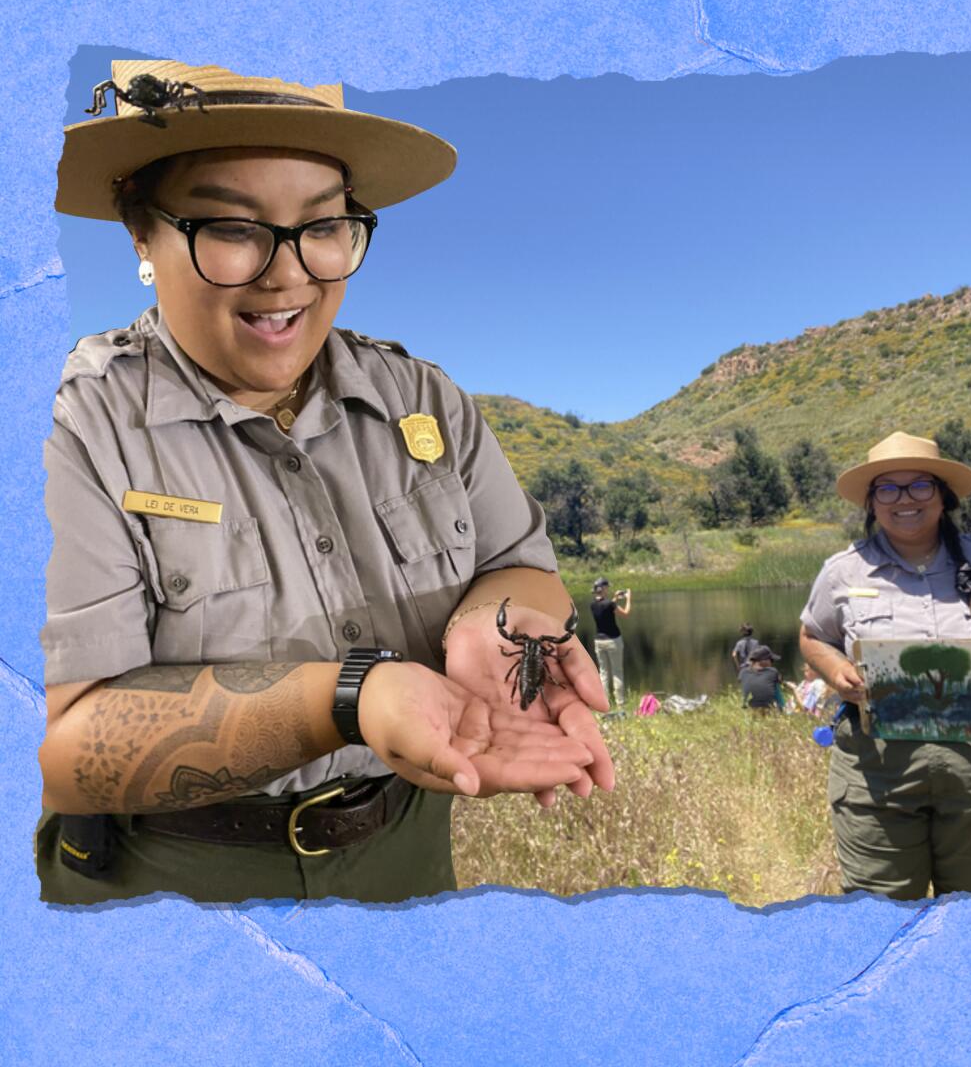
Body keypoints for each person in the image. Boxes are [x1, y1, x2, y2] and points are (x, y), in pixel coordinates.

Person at [37, 59, 614, 904]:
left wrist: (496, 623)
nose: (288, 272)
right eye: (232, 227)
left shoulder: (423, 400)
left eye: (324, 225)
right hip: (164, 884)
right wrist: (351, 701)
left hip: (406, 855)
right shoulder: (70, 432)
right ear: (141, 235)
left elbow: (521, 567)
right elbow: (53, 751)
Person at [799, 431, 971, 899]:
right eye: (888, 489)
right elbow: (814, 636)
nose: (905, 500)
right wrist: (836, 673)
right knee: (880, 921)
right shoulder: (842, 571)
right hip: (878, 777)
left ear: (943, 496)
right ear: (872, 503)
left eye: (920, 486)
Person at [590, 577, 631, 708]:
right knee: (617, 672)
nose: (608, 589)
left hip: (599, 641)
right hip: (613, 641)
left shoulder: (593, 605)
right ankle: (620, 703)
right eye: (607, 587)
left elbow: (607, 608)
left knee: (603, 673)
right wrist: (629, 598)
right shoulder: (609, 604)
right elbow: (625, 613)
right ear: (603, 589)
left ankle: (605, 702)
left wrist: (615, 598)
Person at [738, 645, 782, 716]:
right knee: (776, 688)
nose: (772, 663)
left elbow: (742, 681)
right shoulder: (773, 672)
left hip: (749, 712)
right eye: (771, 660)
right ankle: (782, 711)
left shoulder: (743, 672)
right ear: (764, 661)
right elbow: (779, 683)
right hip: (769, 711)